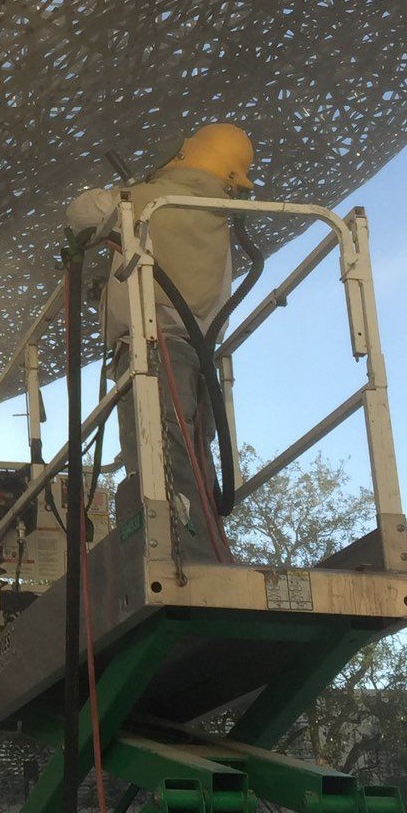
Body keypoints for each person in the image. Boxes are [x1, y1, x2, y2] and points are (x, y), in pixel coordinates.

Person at [65, 123, 254, 553]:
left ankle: (187, 556)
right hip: (196, 352)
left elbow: (81, 212)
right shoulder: (215, 215)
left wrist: (129, 190)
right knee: (192, 453)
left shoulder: (147, 201)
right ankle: (206, 545)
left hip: (152, 351)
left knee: (160, 457)